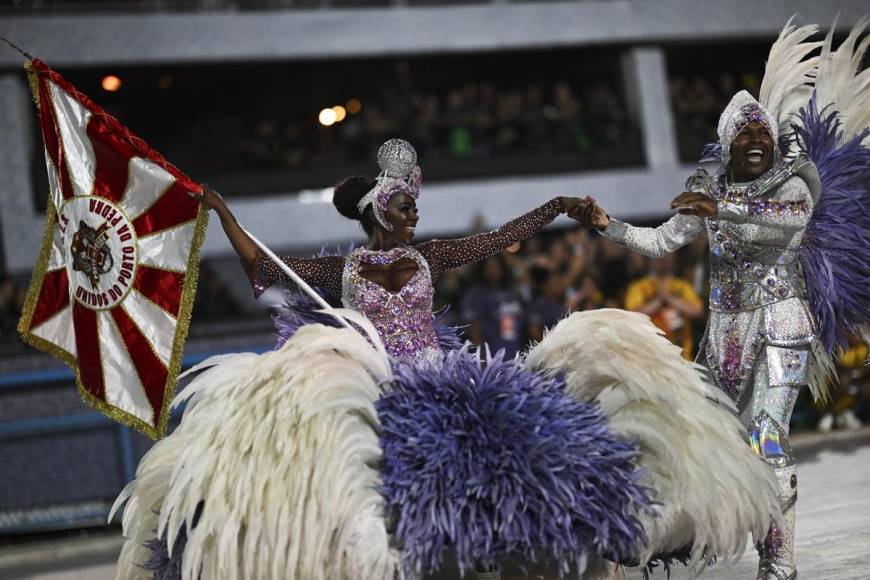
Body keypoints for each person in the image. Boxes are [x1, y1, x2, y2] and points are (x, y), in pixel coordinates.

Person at [113, 139, 780, 580]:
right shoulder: (341, 269)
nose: (413, 214)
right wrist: (225, 213)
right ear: (379, 209)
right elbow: (261, 266)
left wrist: (556, 207)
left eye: (415, 206)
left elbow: (497, 239)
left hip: (443, 384)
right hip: (381, 391)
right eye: (404, 205)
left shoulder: (430, 256)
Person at [578, 19, 870, 576]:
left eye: (762, 132)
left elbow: (788, 223)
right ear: (730, 142)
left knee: (768, 438)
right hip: (724, 331)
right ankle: (690, 536)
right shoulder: (710, 188)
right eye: (746, 134)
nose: (757, 140)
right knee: (706, 438)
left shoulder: (792, 180)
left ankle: (778, 564)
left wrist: (722, 210)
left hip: (782, 324)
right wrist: (606, 224)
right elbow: (662, 241)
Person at [623, 253, 703, 359]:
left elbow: (697, 311)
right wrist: (659, 300)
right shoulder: (638, 287)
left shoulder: (683, 285)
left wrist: (669, 298)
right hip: (649, 356)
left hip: (682, 356)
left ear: (673, 260)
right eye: (659, 259)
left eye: (667, 258)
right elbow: (632, 314)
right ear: (650, 261)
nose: (663, 262)